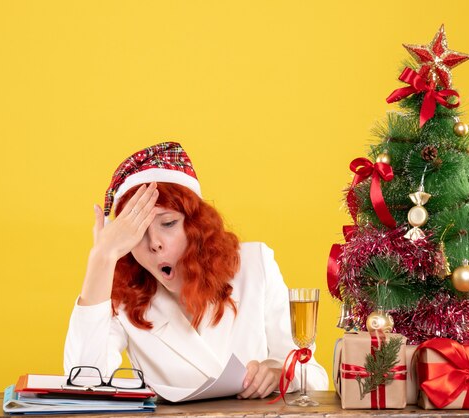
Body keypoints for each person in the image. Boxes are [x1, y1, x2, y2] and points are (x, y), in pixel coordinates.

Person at [64, 142, 328, 400]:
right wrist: (101, 259)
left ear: (196, 225)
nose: (155, 243)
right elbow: (84, 384)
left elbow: (313, 375)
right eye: (137, 233)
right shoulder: (119, 296)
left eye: (168, 223)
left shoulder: (255, 264)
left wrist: (278, 373)